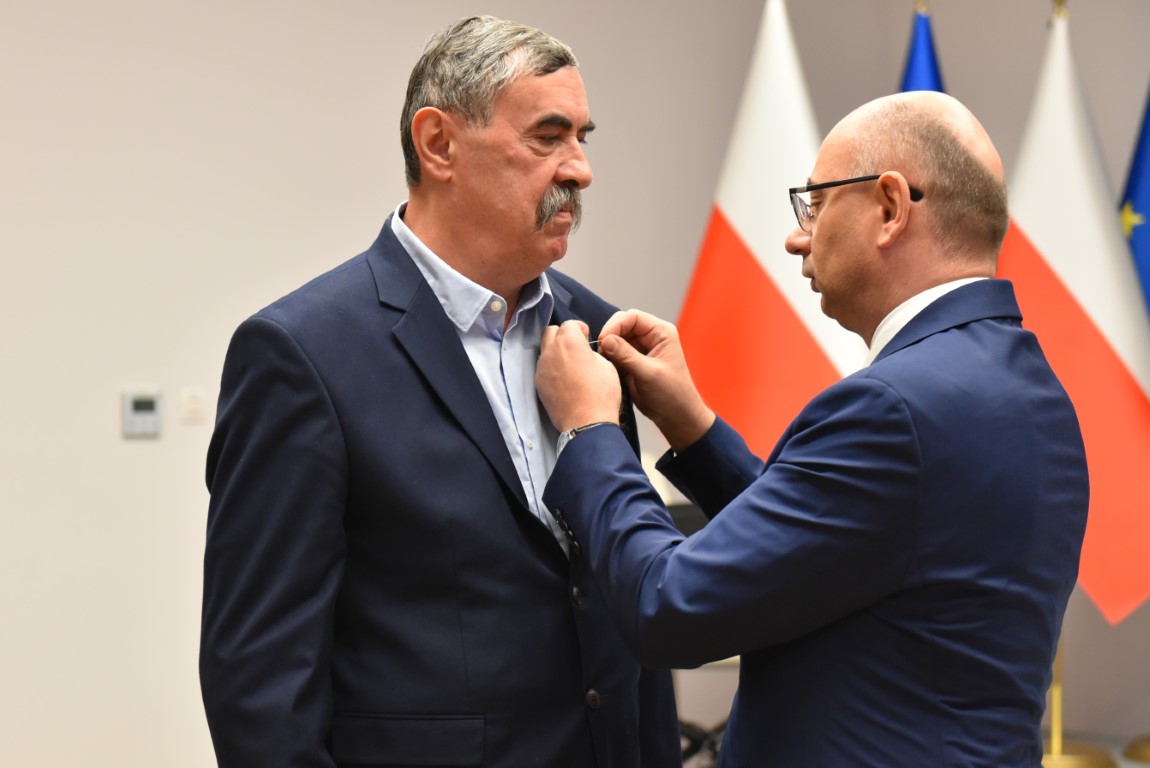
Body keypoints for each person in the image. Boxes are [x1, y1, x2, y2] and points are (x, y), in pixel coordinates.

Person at [535, 91, 1089, 766]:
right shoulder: (1032, 391)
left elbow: (668, 608)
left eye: (816, 205)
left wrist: (590, 429)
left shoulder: (893, 408)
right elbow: (831, 548)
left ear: (890, 207)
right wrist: (694, 431)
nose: (797, 237)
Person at [199, 15, 680, 768]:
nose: (580, 169)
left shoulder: (597, 333)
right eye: (548, 137)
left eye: (583, 138)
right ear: (438, 144)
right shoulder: (303, 353)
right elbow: (260, 685)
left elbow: (624, 608)